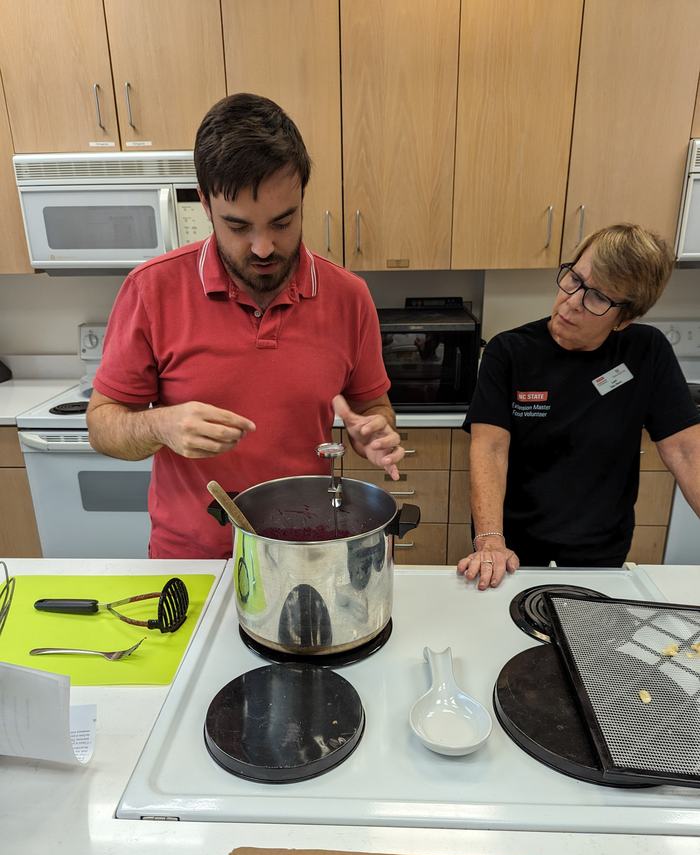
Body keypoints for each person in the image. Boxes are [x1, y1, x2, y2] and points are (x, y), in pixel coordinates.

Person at [87, 93, 404, 559]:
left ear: (301, 199)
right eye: (238, 227)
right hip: (189, 558)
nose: (262, 247)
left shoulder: (348, 297)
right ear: (206, 205)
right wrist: (162, 424)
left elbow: (374, 405)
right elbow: (102, 426)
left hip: (302, 551)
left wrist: (374, 430)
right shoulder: (151, 290)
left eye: (283, 221)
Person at [458, 223, 700, 591]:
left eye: (598, 298)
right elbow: (490, 449)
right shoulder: (509, 352)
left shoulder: (647, 351)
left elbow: (686, 451)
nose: (572, 301)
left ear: (625, 318)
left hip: (600, 550)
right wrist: (490, 539)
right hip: (511, 548)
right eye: (574, 279)